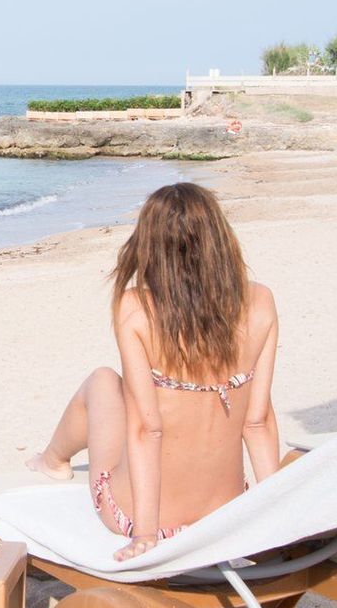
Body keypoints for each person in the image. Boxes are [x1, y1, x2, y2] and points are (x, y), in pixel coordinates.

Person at [25, 182, 280, 561]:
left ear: (150, 246)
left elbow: (148, 429)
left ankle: (52, 460)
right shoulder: (261, 301)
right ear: (220, 239)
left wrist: (145, 534)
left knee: (103, 382)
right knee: (126, 392)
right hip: (225, 512)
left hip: (150, 517)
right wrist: (278, 517)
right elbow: (256, 423)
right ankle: (52, 459)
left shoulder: (136, 308)